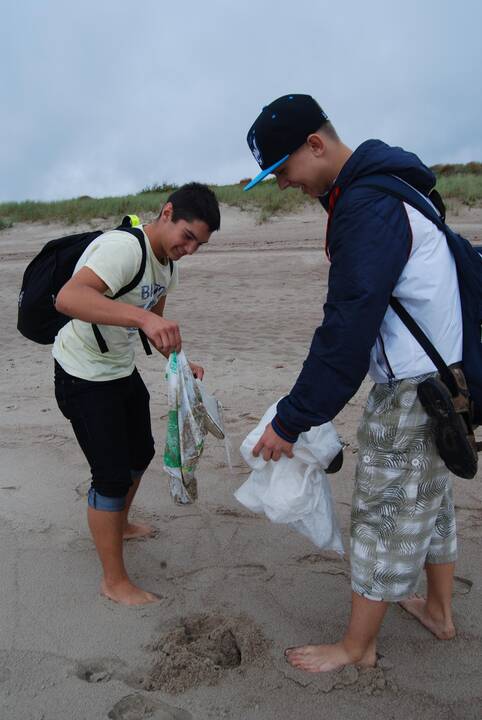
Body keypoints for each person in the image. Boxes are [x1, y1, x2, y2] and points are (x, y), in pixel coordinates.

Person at [244, 94, 460, 671]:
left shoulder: (365, 205)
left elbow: (347, 326)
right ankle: (438, 611)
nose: (282, 184)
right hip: (447, 380)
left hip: (414, 389)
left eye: (282, 170)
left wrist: (291, 418)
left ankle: (357, 647)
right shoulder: (392, 185)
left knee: (383, 512)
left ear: (316, 144)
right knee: (432, 500)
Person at [53, 182, 220, 606]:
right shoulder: (124, 249)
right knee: (109, 475)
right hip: (82, 374)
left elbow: (153, 326)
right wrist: (143, 321)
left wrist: (182, 361)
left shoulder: (167, 267)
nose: (190, 249)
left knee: (140, 453)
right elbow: (69, 298)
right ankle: (113, 581)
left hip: (118, 370)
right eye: (187, 237)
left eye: (199, 244)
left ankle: (120, 523)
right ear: (167, 213)